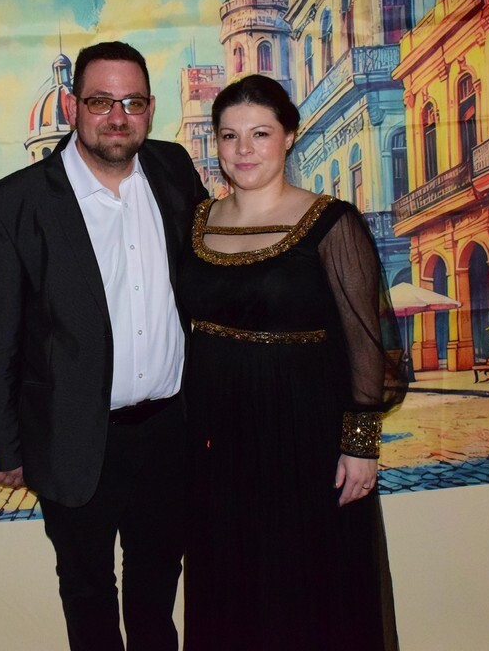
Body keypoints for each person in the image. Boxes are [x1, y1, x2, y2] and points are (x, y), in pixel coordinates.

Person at [0, 41, 207, 651]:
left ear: (150, 109)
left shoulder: (175, 170)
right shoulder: (10, 206)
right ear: (73, 106)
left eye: (133, 102)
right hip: (71, 438)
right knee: (88, 597)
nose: (117, 116)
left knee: (157, 597)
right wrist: (10, 449)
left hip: (168, 434)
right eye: (101, 101)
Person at [177, 74, 408, 650]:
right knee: (230, 579)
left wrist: (360, 445)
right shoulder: (197, 222)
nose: (244, 149)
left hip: (304, 436)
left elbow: (365, 341)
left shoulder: (332, 222)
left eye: (260, 133)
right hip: (216, 441)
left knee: (307, 581)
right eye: (229, 136)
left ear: (289, 137)